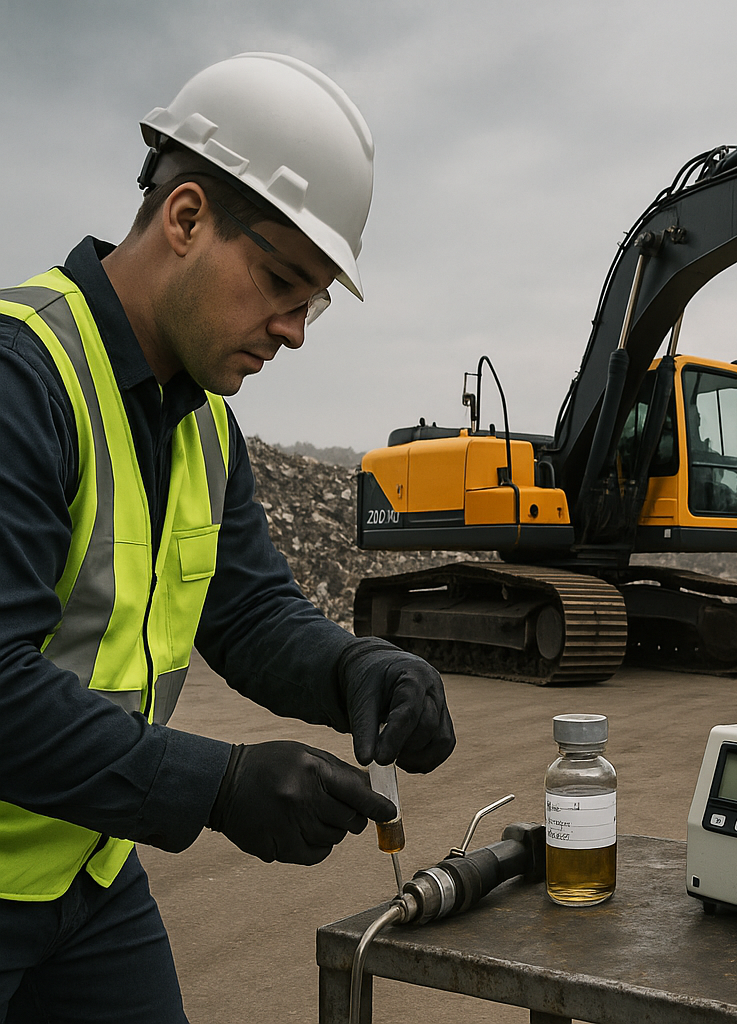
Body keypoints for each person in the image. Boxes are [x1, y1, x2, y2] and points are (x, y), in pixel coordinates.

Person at [0, 54, 455, 1021]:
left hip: (84, 875)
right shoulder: (21, 381)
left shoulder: (203, 422)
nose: (293, 329)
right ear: (187, 218)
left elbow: (245, 610)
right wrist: (217, 784)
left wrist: (354, 669)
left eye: (315, 301)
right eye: (282, 282)